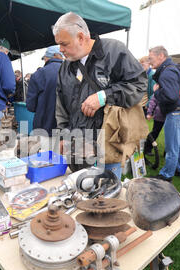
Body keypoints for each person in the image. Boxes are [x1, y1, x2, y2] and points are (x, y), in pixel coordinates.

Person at [53, 12, 147, 179]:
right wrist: (62, 135)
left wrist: (104, 96)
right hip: (76, 148)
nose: (60, 50)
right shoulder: (65, 67)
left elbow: (139, 84)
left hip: (106, 148)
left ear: (81, 37)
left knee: (105, 198)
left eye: (64, 44)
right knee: (79, 194)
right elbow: (61, 105)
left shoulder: (113, 51)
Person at [148, 46, 180, 182]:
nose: (150, 62)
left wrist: (156, 91)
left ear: (161, 56)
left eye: (151, 58)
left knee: (172, 146)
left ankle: (167, 175)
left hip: (176, 112)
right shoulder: (173, 68)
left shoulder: (167, 71)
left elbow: (171, 96)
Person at [26, 45, 64, 136]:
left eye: (45, 58)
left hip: (44, 127)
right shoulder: (71, 71)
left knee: (45, 149)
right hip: (68, 128)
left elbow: (31, 106)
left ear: (51, 56)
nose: (44, 61)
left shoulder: (39, 74)